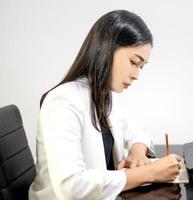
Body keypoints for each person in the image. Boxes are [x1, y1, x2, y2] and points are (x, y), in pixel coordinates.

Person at [29, 10, 181, 200]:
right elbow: (72, 187)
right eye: (134, 62)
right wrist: (149, 174)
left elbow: (135, 130)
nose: (136, 75)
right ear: (107, 49)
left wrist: (137, 151)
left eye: (141, 66)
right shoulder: (63, 101)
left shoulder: (103, 94)